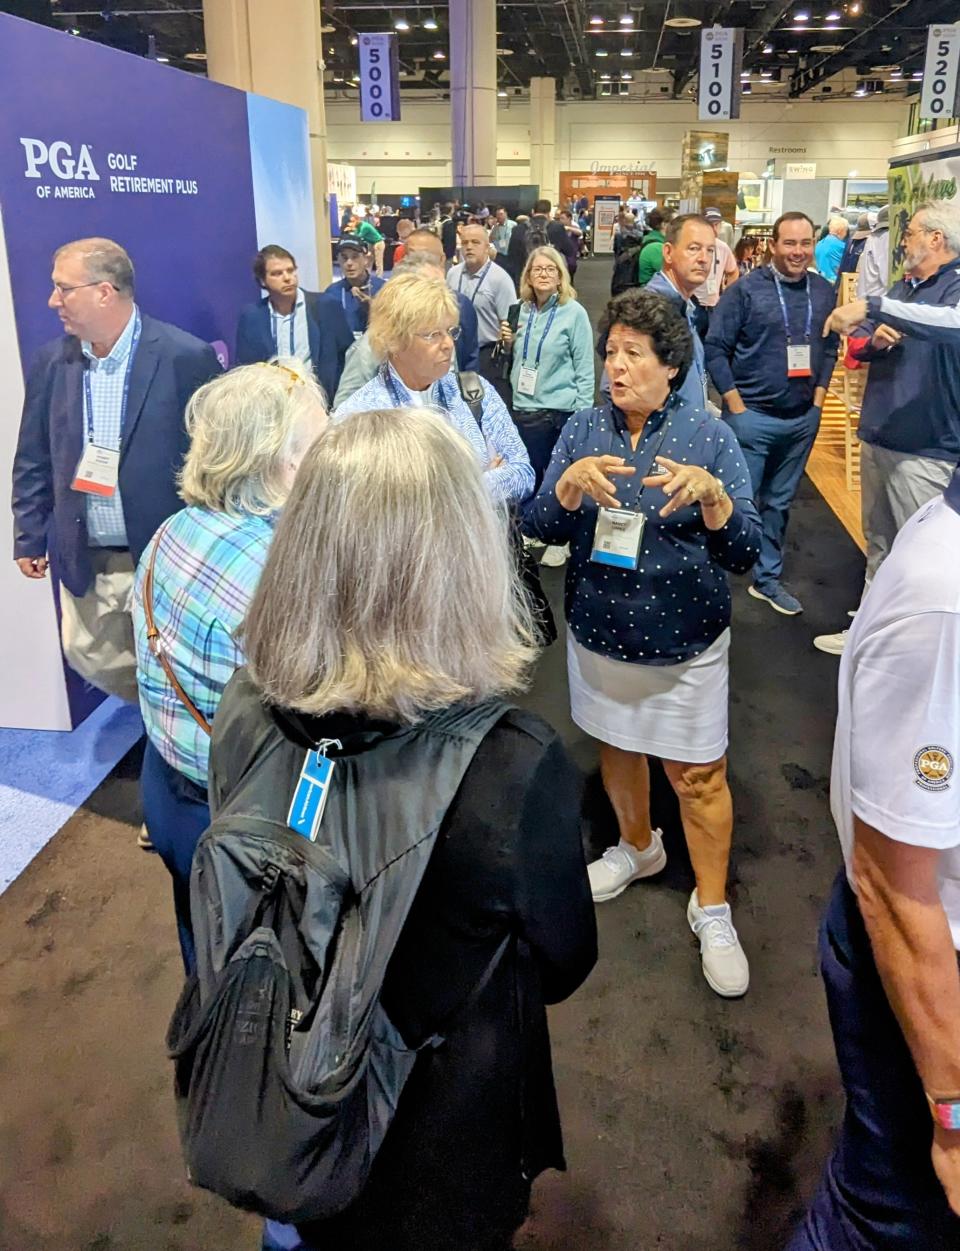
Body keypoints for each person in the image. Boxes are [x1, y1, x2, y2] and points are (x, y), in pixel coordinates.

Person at [221, 405, 597, 1251]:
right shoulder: (514, 763)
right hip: (435, 1130)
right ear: (461, 562)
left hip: (281, 1090)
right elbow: (565, 962)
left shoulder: (243, 705)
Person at [522, 289, 761, 997]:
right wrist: (564, 491)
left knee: (699, 778)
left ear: (671, 366)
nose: (615, 366)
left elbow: (746, 552)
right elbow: (541, 526)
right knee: (617, 748)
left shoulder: (709, 435)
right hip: (600, 633)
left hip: (684, 641)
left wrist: (716, 502)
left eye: (633, 353)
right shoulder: (582, 428)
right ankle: (638, 847)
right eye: (610, 351)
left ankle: (712, 906)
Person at [786, 467, 960, 1251]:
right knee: (888, 1217)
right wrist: (956, 1113)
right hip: (927, 969)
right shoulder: (946, 598)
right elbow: (891, 883)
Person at [131, 358, 327, 972]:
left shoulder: (170, 531)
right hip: (246, 824)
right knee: (265, 991)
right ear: (282, 464)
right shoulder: (276, 578)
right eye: (321, 445)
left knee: (203, 959)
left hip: (167, 792)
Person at [12, 237, 219, 703]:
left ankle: (165, 733)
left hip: (163, 554)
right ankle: (150, 712)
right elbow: (33, 456)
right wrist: (28, 531)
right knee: (89, 654)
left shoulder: (185, 356)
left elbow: (214, 461)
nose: (52, 301)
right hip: (87, 550)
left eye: (63, 289)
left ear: (105, 292)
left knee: (176, 662)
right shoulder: (53, 362)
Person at [814, 200, 960, 656]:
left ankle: (916, 652)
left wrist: (875, 305)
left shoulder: (952, 292)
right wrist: (873, 338)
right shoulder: (906, 288)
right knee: (879, 544)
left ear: (936, 239)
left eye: (912, 232)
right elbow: (858, 347)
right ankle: (870, 634)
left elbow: (947, 328)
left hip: (928, 448)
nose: (903, 241)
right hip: (880, 432)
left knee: (923, 557)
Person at [705, 210, 839, 616]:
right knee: (733, 501)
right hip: (752, 419)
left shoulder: (823, 291)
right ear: (773, 245)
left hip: (801, 419)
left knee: (779, 504)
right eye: (790, 243)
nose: (798, 252)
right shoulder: (745, 291)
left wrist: (817, 401)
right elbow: (716, 348)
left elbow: (829, 348)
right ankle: (715, 583)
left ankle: (767, 579)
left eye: (804, 243)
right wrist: (736, 405)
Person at [333, 271, 534, 507]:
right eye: (433, 335)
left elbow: (523, 473)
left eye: (451, 331)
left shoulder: (473, 391)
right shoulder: (359, 416)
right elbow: (362, 507)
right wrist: (482, 483)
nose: (448, 344)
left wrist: (445, 494)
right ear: (394, 340)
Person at [497, 246, 594, 566]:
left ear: (560, 276)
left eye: (550, 269)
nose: (543, 274)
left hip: (560, 410)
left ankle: (561, 538)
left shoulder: (574, 312)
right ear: (527, 275)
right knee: (533, 474)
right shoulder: (519, 310)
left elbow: (584, 368)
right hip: (524, 406)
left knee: (560, 478)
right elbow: (513, 359)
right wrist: (508, 344)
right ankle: (538, 527)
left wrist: (582, 416)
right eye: (537, 269)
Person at [332, 236, 479, 407]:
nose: (443, 296)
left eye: (443, 287)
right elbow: (343, 415)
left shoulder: (445, 339)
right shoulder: (370, 348)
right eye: (431, 288)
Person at [236, 244, 353, 404]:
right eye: (277, 273)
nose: (287, 278)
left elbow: (348, 354)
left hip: (320, 404)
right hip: (274, 407)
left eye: (291, 270)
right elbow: (245, 369)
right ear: (263, 280)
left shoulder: (326, 306)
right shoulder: (252, 316)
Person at [646, 214, 715, 411]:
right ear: (668, 253)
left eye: (710, 251)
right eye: (694, 249)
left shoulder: (687, 307)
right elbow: (616, 386)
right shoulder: (650, 311)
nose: (703, 259)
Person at [445, 222, 517, 385]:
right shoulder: (452, 274)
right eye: (465, 243)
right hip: (455, 351)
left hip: (485, 355)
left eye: (475, 242)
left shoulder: (500, 279)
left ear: (487, 247)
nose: (469, 247)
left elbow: (508, 323)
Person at [324, 239, 386, 339]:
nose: (349, 263)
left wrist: (373, 308)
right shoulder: (332, 293)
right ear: (338, 260)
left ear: (367, 259)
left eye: (355, 257)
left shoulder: (383, 289)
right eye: (344, 257)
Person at [692, 208, 739, 319]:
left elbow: (733, 271)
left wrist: (726, 295)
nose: (714, 228)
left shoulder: (722, 247)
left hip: (714, 305)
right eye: (710, 224)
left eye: (716, 224)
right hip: (693, 303)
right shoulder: (692, 245)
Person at [857, 204, 890, 299]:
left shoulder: (873, 237)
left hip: (867, 299)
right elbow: (887, 278)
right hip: (879, 302)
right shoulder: (887, 237)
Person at [636, 209, 668, 285]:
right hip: (654, 293)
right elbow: (673, 275)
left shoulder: (650, 239)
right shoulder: (656, 247)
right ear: (664, 224)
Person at [814, 216, 849, 283]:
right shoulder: (841, 246)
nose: (845, 234)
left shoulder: (819, 243)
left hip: (820, 280)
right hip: (834, 283)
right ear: (840, 231)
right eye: (845, 231)